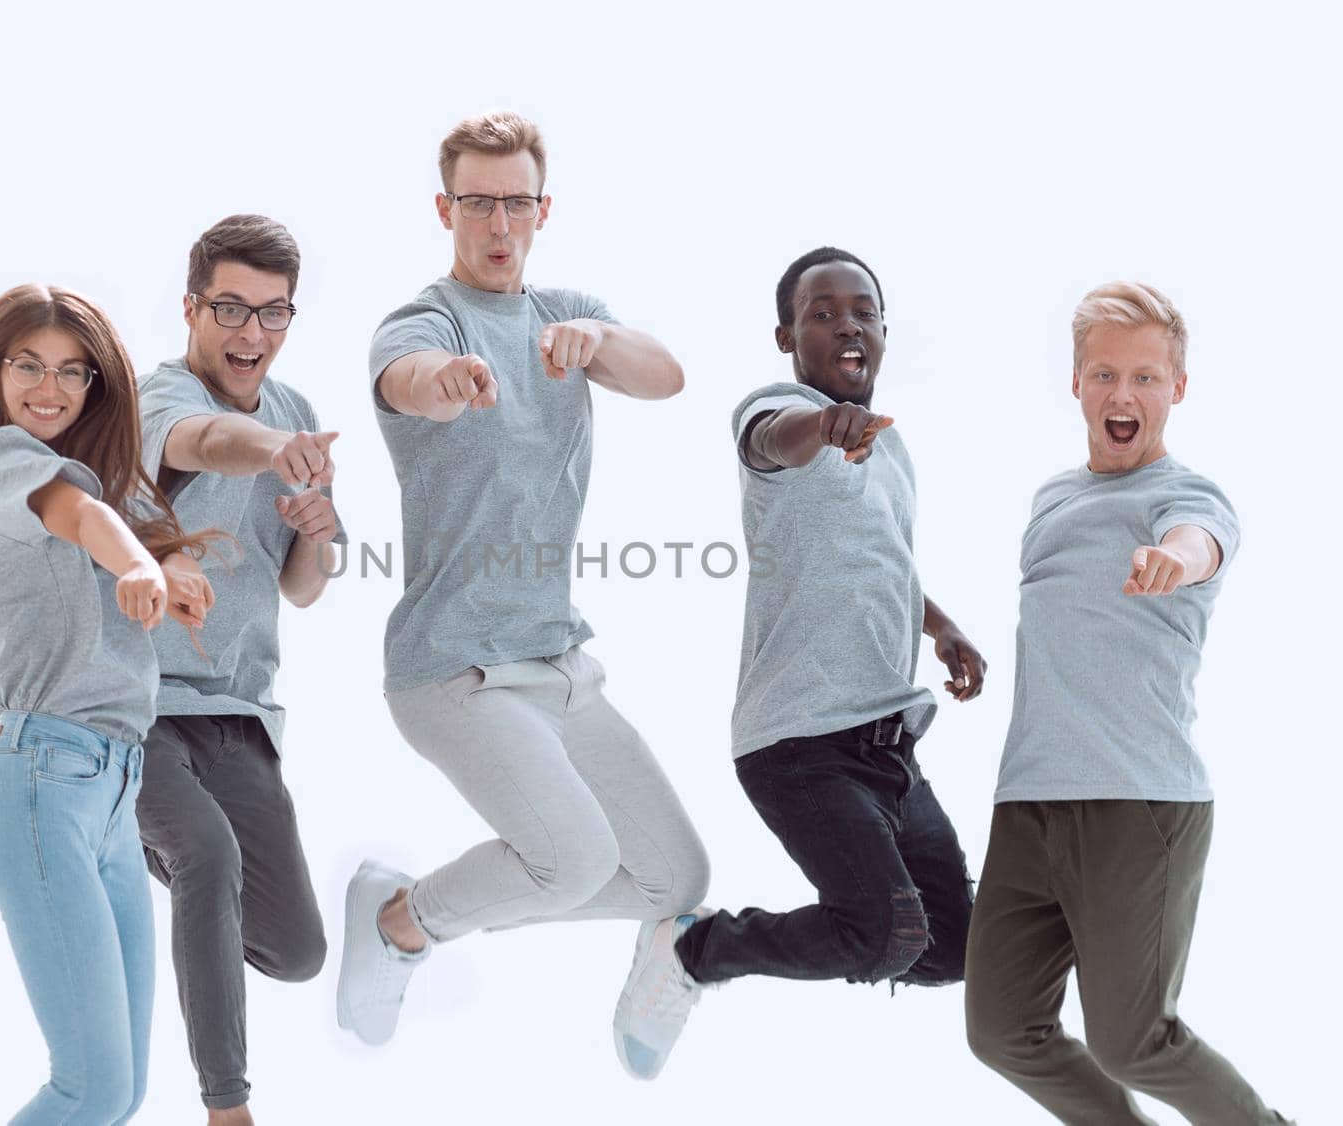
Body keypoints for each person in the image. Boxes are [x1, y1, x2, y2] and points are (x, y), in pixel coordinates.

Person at [338, 110, 710, 1047]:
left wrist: (596, 339)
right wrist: (447, 380)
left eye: (516, 204)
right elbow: (402, 377)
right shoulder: (425, 321)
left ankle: (640, 987)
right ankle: (398, 921)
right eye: (477, 204)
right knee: (577, 858)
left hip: (556, 661)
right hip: (451, 669)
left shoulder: (563, 313)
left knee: (678, 881)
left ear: (544, 210)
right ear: (444, 208)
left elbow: (665, 377)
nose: (497, 226)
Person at [613, 248, 987, 1080]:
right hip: (801, 746)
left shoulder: (894, 453)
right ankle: (698, 946)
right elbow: (774, 442)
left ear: (884, 332)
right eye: (822, 313)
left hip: (890, 752)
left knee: (951, 948)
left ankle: (862, 929)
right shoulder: (777, 410)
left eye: (863, 310)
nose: (846, 323)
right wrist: (822, 426)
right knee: (884, 934)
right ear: (787, 335)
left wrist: (943, 624)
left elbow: (880, 558)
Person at [964, 281, 1292, 1123]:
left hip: (1137, 803)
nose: (1124, 395)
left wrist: (1175, 560)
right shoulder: (1050, 501)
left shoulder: (1184, 497)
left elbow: (1202, 538)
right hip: (1029, 802)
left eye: (1146, 378)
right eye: (1106, 374)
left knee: (1133, 1038)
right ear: (1077, 381)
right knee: (1002, 1030)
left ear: (1176, 389)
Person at [0, 283, 215, 1124]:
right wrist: (137, 563)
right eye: (28, 364)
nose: (50, 388)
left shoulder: (92, 484)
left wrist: (167, 572)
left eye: (73, 372)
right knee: (88, 1089)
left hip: (111, 797)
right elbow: (80, 513)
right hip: (44, 786)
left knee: (120, 1093)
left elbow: (108, 519)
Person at [135, 215, 343, 1124]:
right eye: (229, 308)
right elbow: (203, 443)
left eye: (273, 313)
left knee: (297, 953)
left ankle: (156, 843)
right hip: (135, 706)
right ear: (191, 307)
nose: (250, 334)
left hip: (241, 716)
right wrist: (270, 451)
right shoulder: (157, 397)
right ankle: (228, 1106)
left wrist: (318, 539)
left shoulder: (297, 413)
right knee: (207, 853)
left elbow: (300, 590)